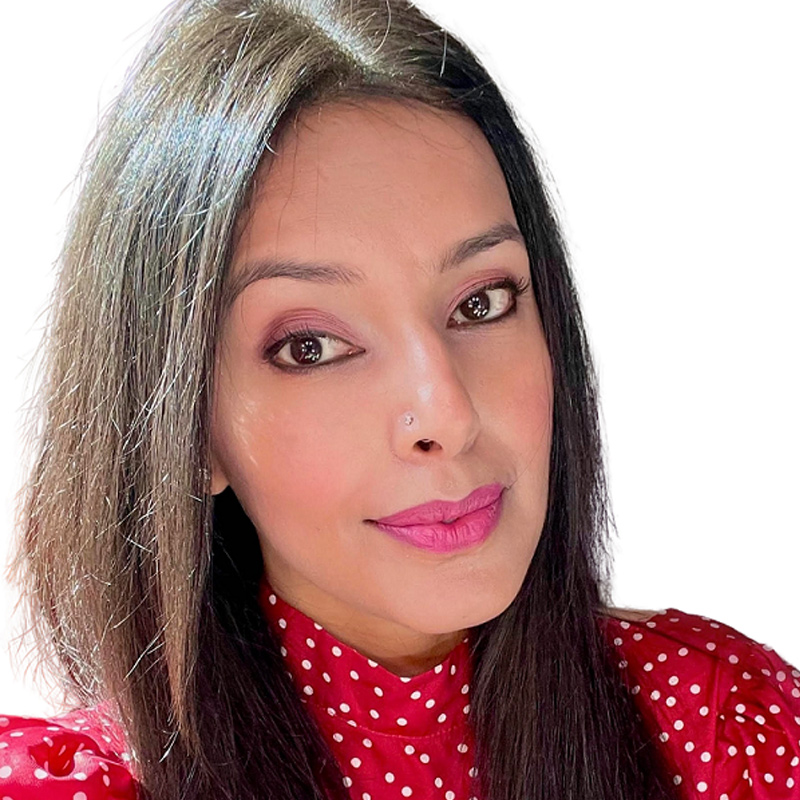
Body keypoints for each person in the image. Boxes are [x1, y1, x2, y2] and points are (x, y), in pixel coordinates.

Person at [2, 0, 798, 798]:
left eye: (481, 303)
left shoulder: (726, 734)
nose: (446, 413)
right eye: (311, 346)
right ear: (187, 428)